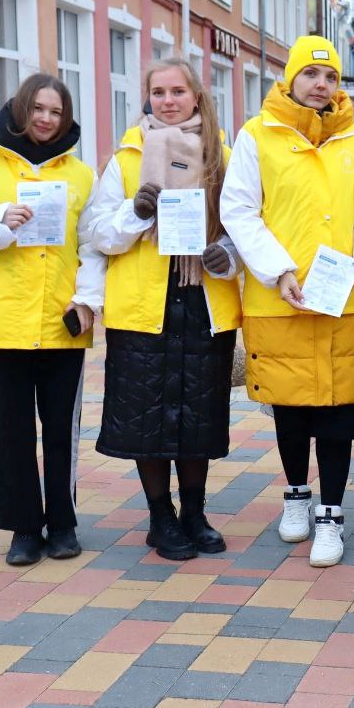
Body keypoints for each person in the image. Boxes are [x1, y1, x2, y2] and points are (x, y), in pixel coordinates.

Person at [221, 36, 354, 568]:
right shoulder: (257, 135)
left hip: (342, 299)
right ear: (290, 79)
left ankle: (331, 516)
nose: (322, 85)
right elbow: (240, 211)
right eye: (312, 75)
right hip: (280, 298)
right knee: (289, 408)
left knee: (339, 412)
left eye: (332, 77)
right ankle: (296, 497)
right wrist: (278, 270)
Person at [0, 74, 103, 566]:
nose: (46, 118)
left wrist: (89, 301)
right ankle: (23, 528)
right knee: (9, 431)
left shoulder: (82, 176)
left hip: (61, 322)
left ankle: (64, 523)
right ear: (20, 109)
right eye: (38, 108)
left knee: (60, 431)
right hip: (1, 323)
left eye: (56, 110)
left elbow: (92, 245)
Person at [89, 58, 241, 561]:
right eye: (159, 92)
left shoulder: (222, 153)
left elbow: (244, 223)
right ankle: (161, 517)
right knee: (146, 419)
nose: (169, 100)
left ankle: (195, 514)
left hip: (202, 302)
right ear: (148, 98)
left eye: (178, 91)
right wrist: (135, 212)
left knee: (197, 417)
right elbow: (97, 235)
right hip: (143, 307)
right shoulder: (127, 156)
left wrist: (227, 258)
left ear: (197, 96)